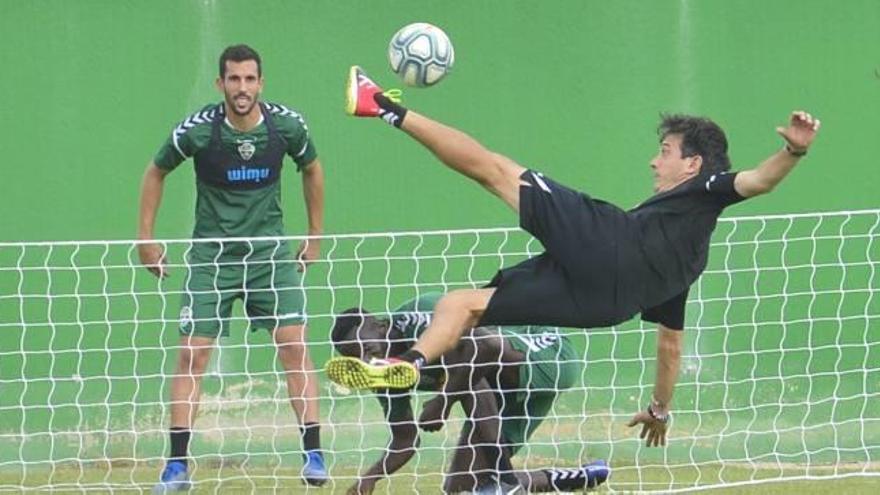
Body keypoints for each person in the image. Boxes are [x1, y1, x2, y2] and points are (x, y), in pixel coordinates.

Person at [326, 66, 821, 449]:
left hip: (609, 246)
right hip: (605, 307)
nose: (655, 159)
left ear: (692, 163)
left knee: (496, 171)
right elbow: (670, 346)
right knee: (464, 304)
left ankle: (381, 105)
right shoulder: (688, 258)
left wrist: (792, 154)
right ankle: (408, 363)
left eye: (666, 150)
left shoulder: (705, 189)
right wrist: (660, 409)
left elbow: (757, 181)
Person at [138, 45, 327, 492]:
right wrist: (146, 239)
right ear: (220, 84)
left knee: (295, 347)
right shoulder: (199, 131)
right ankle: (177, 465)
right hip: (212, 259)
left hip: (269, 257)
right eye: (233, 79)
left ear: (261, 83)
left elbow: (313, 170)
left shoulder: (287, 126)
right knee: (191, 355)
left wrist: (314, 235)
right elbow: (154, 171)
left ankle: (314, 454)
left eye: (249, 79)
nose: (242, 88)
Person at [329, 293, 609, 494]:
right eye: (358, 358)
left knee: (466, 359)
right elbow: (405, 438)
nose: (366, 360)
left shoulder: (419, 317)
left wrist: (442, 401)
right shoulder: (382, 372)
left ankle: (506, 480)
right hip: (499, 391)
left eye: (369, 350)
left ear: (380, 325)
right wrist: (370, 479)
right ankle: (573, 478)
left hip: (543, 356)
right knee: (462, 489)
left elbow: (481, 347)